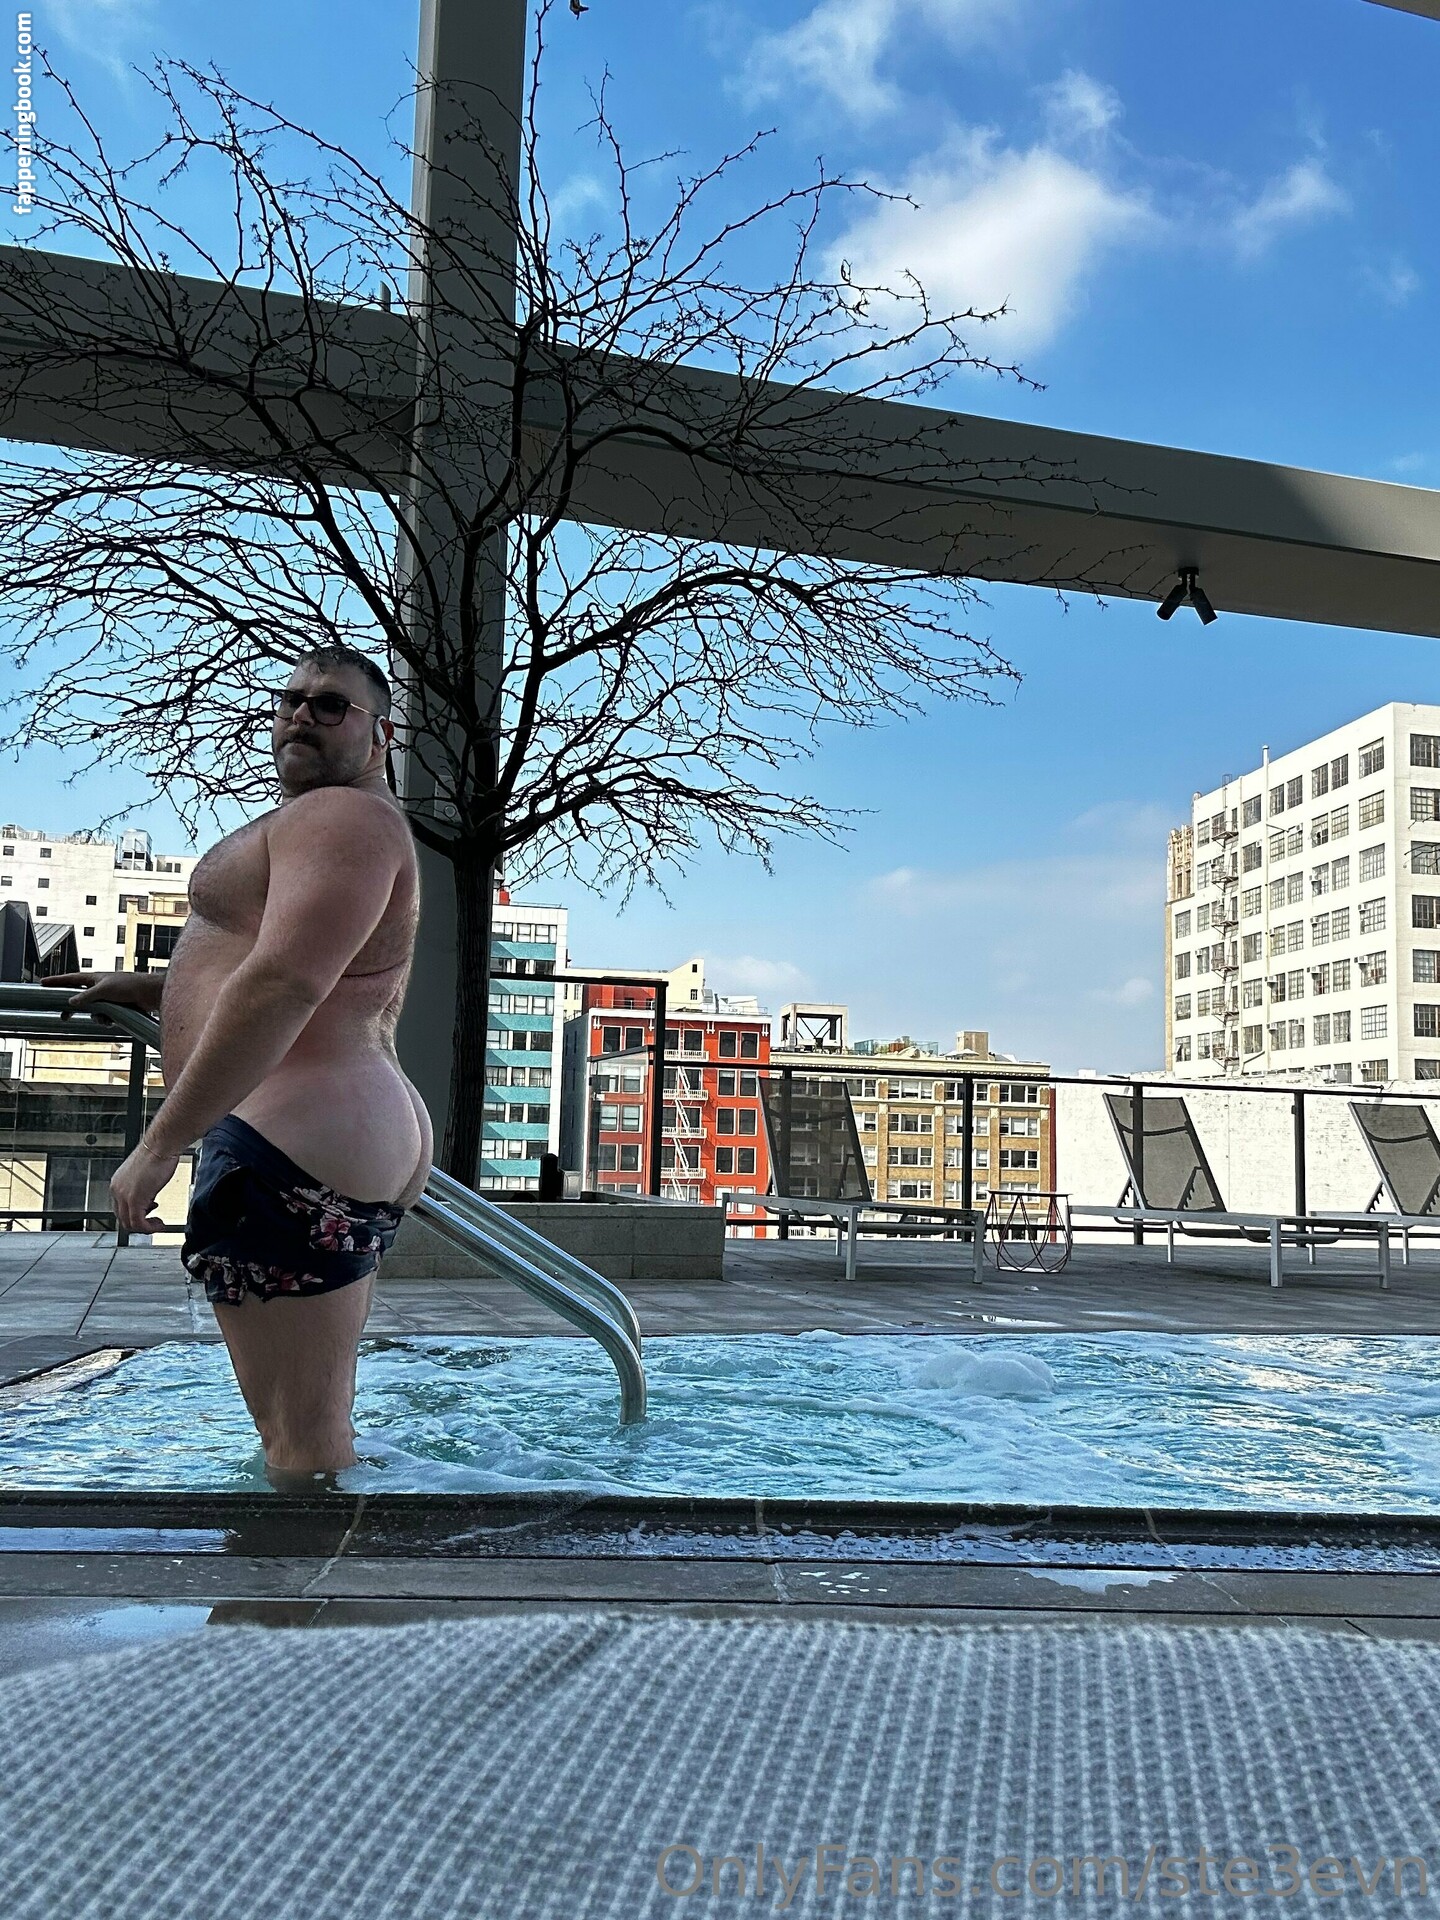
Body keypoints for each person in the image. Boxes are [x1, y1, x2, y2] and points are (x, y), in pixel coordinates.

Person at [53, 646, 432, 1482]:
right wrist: (156, 987)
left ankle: (304, 1573)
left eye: (330, 705)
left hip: (291, 1144)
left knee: (302, 1447)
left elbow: (286, 981)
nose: (301, 714)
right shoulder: (345, 824)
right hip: (322, 1138)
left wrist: (160, 1143)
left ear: (381, 735)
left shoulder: (344, 818)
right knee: (315, 1428)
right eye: (290, 699)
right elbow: (300, 963)